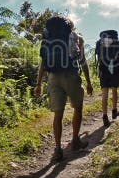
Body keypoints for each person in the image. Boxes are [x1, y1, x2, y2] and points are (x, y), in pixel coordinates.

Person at [33, 16, 94, 162]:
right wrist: (88, 82)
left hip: (53, 77)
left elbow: (43, 63)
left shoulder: (48, 39)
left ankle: (58, 149)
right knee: (78, 107)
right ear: (70, 27)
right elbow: (83, 61)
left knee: (58, 114)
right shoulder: (77, 37)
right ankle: (75, 140)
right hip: (70, 75)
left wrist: (38, 83)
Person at [94, 29, 119, 127]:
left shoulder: (100, 44)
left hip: (103, 70)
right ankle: (114, 110)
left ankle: (104, 116)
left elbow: (98, 59)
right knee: (114, 91)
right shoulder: (117, 44)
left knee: (104, 94)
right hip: (115, 70)